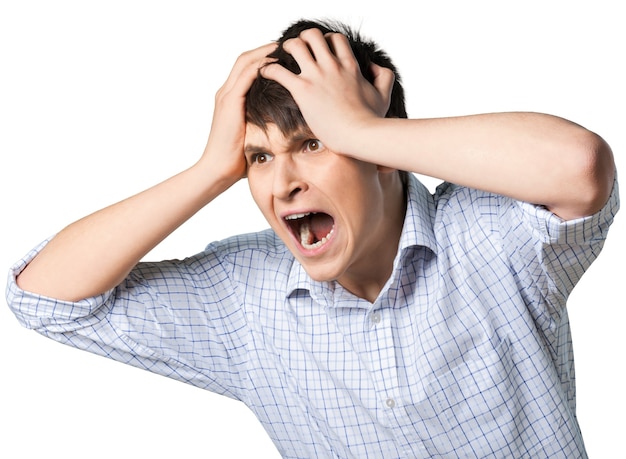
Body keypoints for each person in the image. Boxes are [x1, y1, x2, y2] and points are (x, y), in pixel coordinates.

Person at [6, 18, 619, 458]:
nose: (285, 182)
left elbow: (579, 168)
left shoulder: (483, 238)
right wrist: (210, 170)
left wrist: (359, 128)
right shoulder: (245, 300)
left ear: (381, 148)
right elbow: (43, 296)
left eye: (312, 143)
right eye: (260, 158)